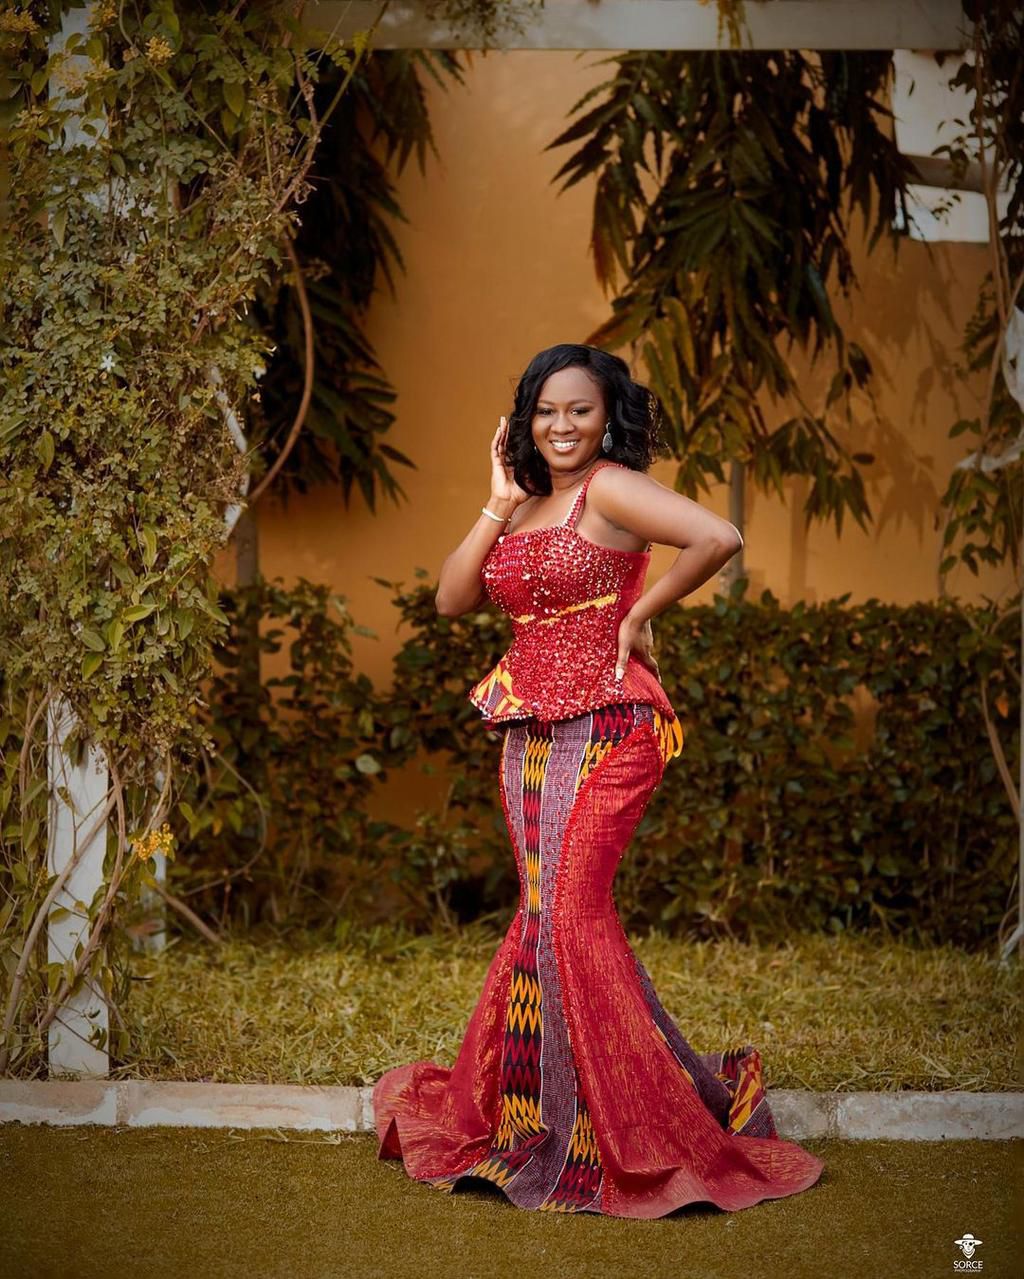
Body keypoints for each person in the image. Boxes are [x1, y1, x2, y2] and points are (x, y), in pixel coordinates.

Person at [372, 343, 824, 1218]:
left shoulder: (610, 488)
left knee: (572, 910)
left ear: (607, 415)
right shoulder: (526, 501)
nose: (561, 425)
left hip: (614, 728)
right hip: (528, 734)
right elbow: (452, 598)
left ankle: (629, 1125)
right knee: (545, 915)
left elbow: (719, 536)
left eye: (579, 409)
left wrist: (640, 612)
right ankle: (546, 1107)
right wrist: (496, 502)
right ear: (524, 419)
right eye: (545, 410)